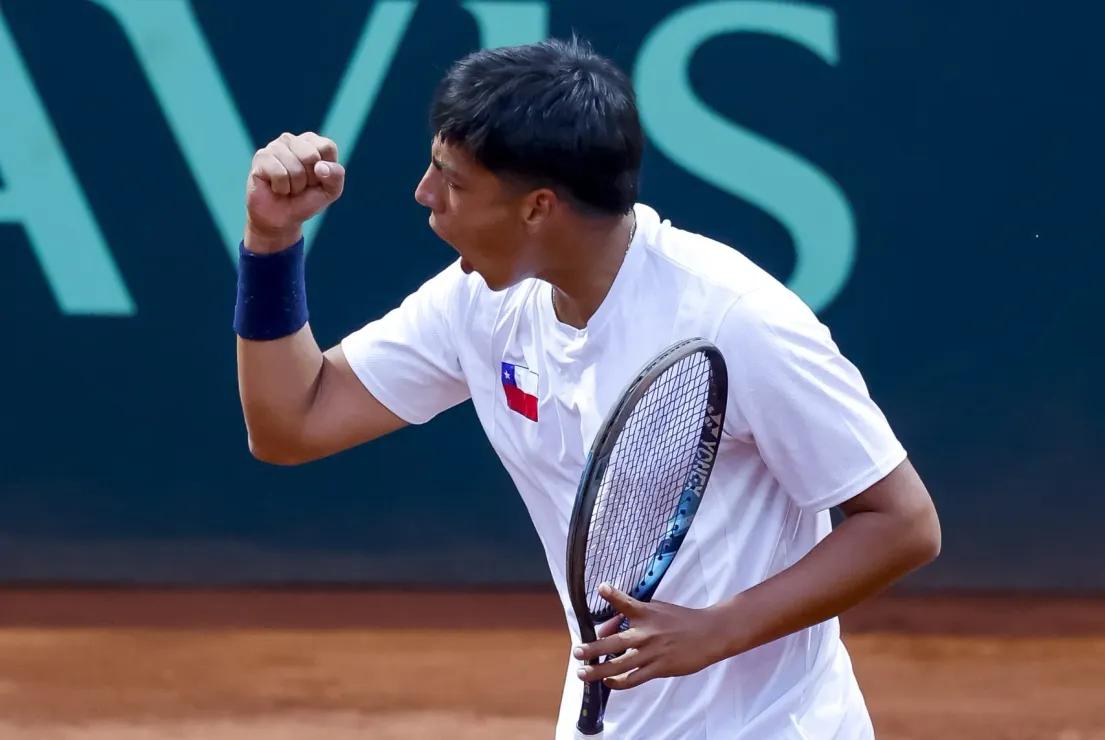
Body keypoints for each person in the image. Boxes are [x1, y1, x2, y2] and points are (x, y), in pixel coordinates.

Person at [233, 36, 941, 740]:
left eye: (451, 179)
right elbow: (292, 424)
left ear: (538, 208)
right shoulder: (477, 303)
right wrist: (271, 243)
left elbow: (903, 522)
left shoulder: (736, 318)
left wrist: (719, 629)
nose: (424, 196)